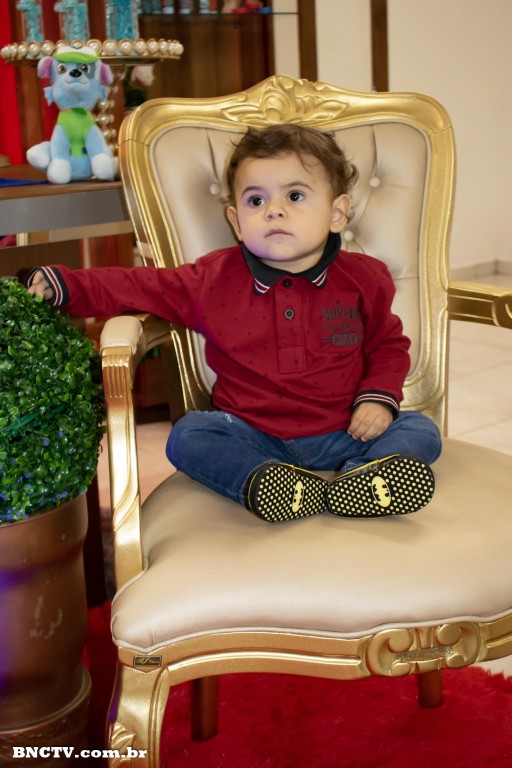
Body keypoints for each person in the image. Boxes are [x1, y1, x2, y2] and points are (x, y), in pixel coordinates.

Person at [26, 124, 441, 523]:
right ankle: (267, 484)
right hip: (253, 438)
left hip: (347, 431)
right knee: (190, 435)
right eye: (256, 201)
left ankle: (360, 480)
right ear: (237, 221)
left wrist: (377, 399)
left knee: (420, 429)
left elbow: (387, 346)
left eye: (295, 195)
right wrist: (67, 285)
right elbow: (136, 286)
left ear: (337, 213)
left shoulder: (364, 278)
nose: (274, 210)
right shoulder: (211, 280)